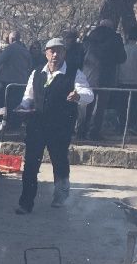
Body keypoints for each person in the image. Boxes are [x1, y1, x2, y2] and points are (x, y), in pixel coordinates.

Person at [15, 38, 92, 214]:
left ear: (64, 53)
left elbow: (89, 94)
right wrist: (23, 107)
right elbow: (28, 96)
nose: (55, 54)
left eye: (59, 51)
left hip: (60, 126)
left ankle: (61, 196)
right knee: (31, 165)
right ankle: (25, 203)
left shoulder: (74, 73)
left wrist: (78, 96)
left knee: (59, 162)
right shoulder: (36, 73)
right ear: (46, 53)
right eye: (52, 51)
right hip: (37, 125)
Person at [79, 19, 126, 140]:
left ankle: (81, 131)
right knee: (100, 107)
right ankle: (94, 133)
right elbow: (122, 58)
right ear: (112, 27)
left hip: (88, 76)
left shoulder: (90, 38)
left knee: (87, 105)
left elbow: (82, 55)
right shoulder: (116, 39)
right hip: (106, 77)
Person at [0, 31, 34, 112]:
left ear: (12, 39)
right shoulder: (26, 52)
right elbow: (30, 67)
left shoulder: (10, 48)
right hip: (21, 85)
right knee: (15, 109)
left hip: (7, 86)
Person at [117, 23, 137, 130]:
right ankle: (131, 126)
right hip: (136, 82)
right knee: (134, 107)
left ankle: (122, 127)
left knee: (122, 107)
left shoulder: (123, 48)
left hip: (122, 81)